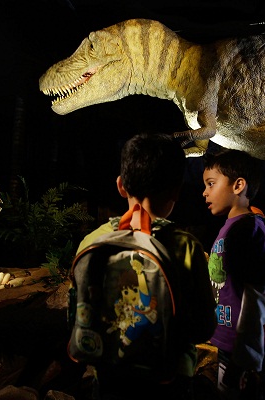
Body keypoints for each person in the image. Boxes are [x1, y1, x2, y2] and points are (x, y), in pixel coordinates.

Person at [75, 132, 217, 400]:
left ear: (121, 186)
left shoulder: (92, 242)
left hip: (109, 380)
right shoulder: (185, 246)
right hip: (169, 381)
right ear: (177, 190)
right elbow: (204, 327)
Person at [202, 148, 265, 400]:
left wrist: (245, 358)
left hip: (247, 355)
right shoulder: (230, 227)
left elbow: (258, 294)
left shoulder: (250, 229)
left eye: (211, 184)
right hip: (230, 346)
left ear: (238, 185)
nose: (205, 192)